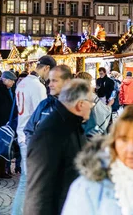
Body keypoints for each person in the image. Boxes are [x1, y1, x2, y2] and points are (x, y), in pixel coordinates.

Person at [23, 79, 90, 215]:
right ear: (80, 104)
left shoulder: (72, 126)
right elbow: (38, 190)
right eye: (90, 102)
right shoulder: (51, 132)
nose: (92, 106)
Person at [12, 54, 57, 215]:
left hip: (22, 132)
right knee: (28, 180)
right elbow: (42, 114)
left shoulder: (22, 83)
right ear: (46, 68)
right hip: (32, 137)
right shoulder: (38, 87)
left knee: (27, 179)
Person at [24, 64, 73, 144]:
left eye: (54, 81)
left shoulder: (80, 106)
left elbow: (91, 137)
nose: (50, 85)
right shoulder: (44, 105)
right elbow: (29, 130)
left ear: (67, 82)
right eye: (50, 81)